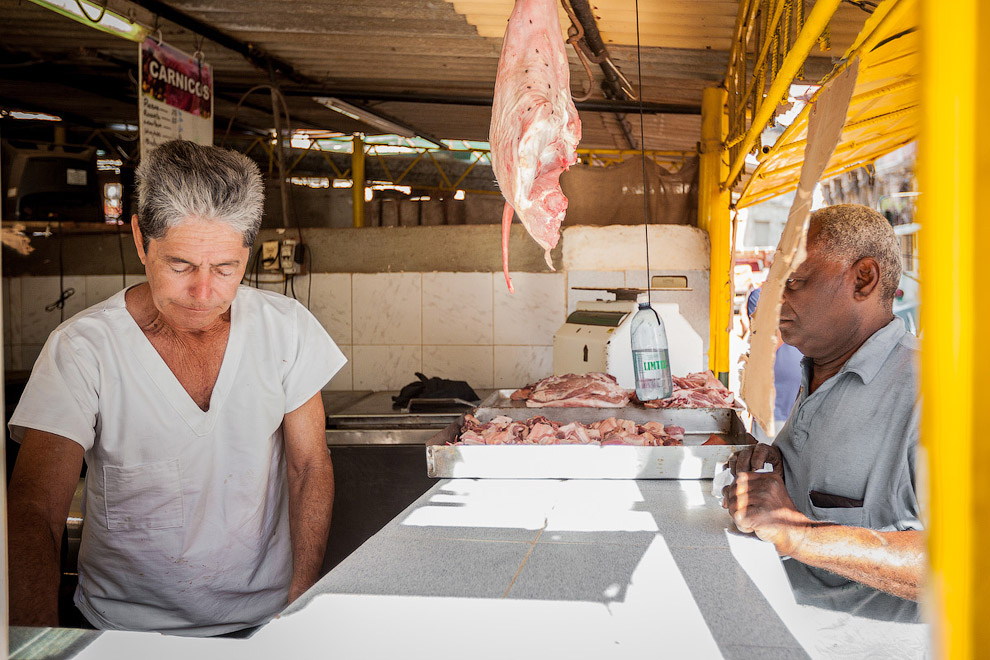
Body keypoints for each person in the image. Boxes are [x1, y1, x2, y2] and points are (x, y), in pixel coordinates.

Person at [7, 140, 346, 636]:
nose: (203, 293)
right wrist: (37, 644)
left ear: (246, 253)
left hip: (263, 623)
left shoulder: (285, 329)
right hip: (123, 632)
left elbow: (309, 466)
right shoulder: (83, 349)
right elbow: (34, 510)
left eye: (226, 268)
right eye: (181, 265)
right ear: (142, 241)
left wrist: (297, 607)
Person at [723, 204, 923, 622]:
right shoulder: (819, 365)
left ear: (863, 279)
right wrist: (778, 468)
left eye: (793, 281)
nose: (774, 298)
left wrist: (796, 533)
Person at [743, 285, 803, 441]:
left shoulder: (809, 295)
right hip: (773, 406)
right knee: (767, 461)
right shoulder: (761, 296)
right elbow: (767, 339)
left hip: (803, 403)